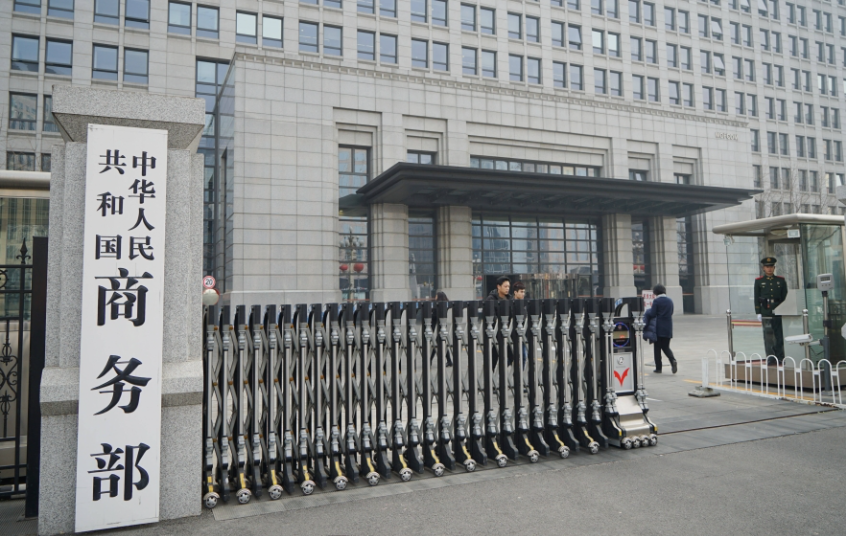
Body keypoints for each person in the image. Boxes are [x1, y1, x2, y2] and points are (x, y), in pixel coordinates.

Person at [754, 256, 787, 363]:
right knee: (768, 336)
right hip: (766, 311)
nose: (769, 269)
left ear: (774, 268)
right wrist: (758, 312)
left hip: (779, 310)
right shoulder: (759, 281)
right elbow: (756, 297)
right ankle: (771, 357)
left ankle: (780, 356)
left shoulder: (780, 281)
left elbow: (784, 297)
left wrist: (784, 309)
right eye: (767, 267)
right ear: (763, 268)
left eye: (771, 266)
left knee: (779, 336)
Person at [642, 284, 677, 374]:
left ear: (655, 292)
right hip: (668, 326)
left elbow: (653, 313)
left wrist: (648, 312)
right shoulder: (670, 300)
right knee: (666, 347)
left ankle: (658, 368)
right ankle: (672, 360)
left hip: (658, 327)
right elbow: (671, 312)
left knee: (657, 348)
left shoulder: (656, 301)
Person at [485, 276, 511, 370]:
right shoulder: (491, 299)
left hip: (508, 332)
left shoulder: (509, 299)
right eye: (505, 286)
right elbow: (491, 315)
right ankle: (491, 376)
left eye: (508, 286)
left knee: (512, 356)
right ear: (498, 286)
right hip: (495, 333)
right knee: (493, 358)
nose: (507, 288)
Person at [431, 290, 453, 367]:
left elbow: (434, 317)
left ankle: (430, 359)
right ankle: (449, 361)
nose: (435, 297)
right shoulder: (444, 305)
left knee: (436, 343)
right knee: (442, 343)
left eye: (436, 295)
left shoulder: (438, 306)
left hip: (441, 327)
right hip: (443, 326)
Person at [510, 281, 528, 369]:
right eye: (521, 292)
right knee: (511, 357)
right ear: (515, 292)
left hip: (522, 334)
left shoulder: (524, 304)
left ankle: (519, 374)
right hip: (512, 334)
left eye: (524, 292)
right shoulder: (510, 304)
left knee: (524, 356)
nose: (523, 294)